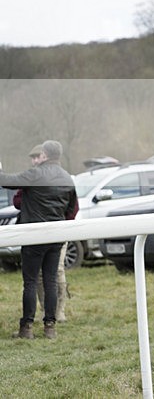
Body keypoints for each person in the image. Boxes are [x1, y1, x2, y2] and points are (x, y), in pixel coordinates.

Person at [0, 140, 77, 340]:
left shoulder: (35, 174)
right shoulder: (67, 178)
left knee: (31, 282)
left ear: (44, 154)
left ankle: (26, 327)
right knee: (51, 280)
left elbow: (6, 181)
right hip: (57, 236)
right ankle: (50, 327)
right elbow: (72, 210)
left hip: (34, 236)